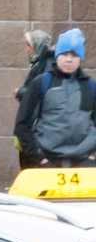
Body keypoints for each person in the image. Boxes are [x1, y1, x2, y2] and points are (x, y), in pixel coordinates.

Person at [14, 28, 96, 166]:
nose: (69, 59)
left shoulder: (90, 86)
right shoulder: (41, 83)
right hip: (47, 161)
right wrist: (38, 157)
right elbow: (22, 124)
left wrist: (92, 156)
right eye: (64, 54)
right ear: (57, 55)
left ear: (80, 58)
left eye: (74, 55)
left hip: (84, 164)